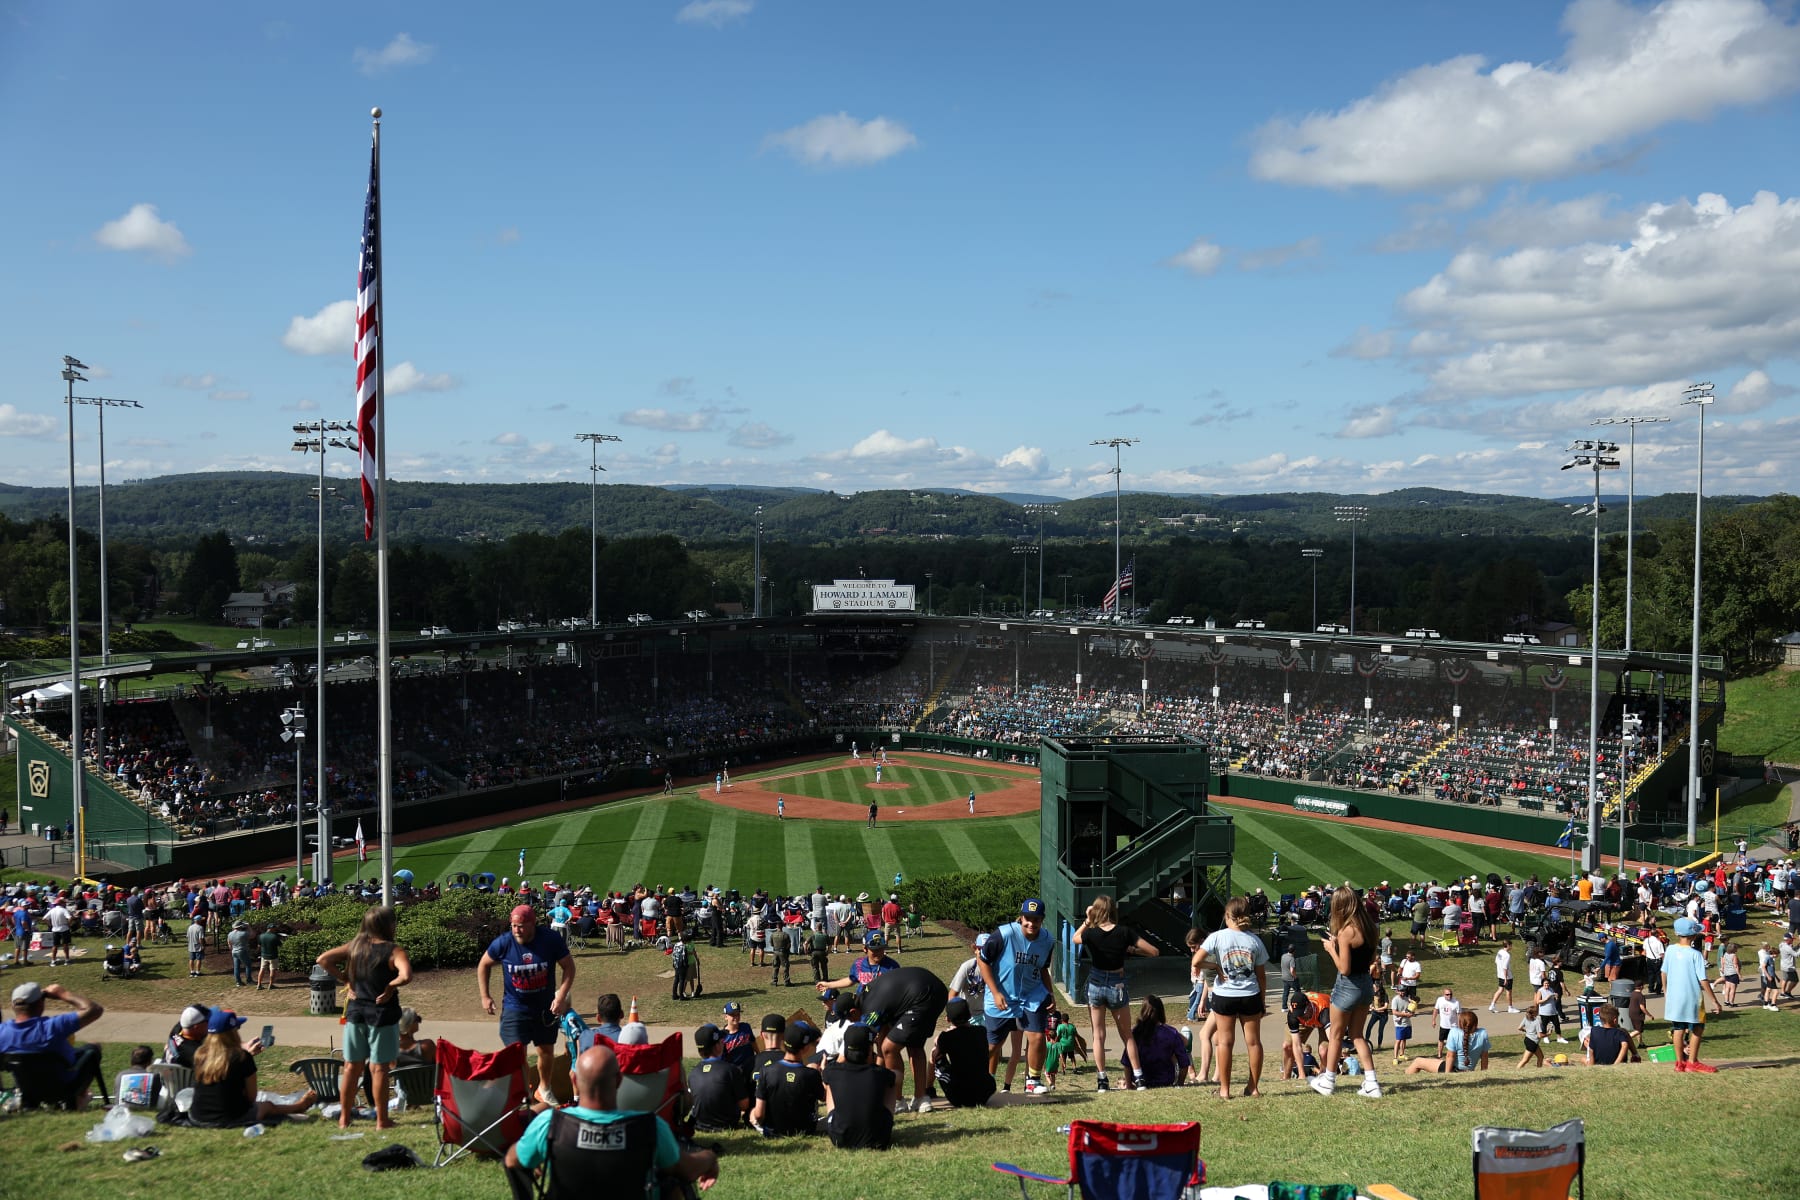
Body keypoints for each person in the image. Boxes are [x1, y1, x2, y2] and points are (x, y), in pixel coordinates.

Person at [505, 1044, 719, 1193]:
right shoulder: (650, 1127)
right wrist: (709, 1158)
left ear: (575, 1081)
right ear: (618, 1080)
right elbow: (685, 1169)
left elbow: (512, 1161)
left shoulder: (549, 1124)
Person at [316, 905, 412, 1129]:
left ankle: (344, 1118)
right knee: (379, 1069)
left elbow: (323, 960)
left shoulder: (355, 947)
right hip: (382, 1016)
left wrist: (345, 979)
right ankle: (382, 1120)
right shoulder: (393, 950)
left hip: (355, 1013)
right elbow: (406, 975)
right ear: (388, 926)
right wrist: (390, 986)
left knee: (351, 1066)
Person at [477, 904, 576, 1105]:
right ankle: (523, 1093)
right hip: (515, 1007)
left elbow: (569, 967)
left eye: (521, 926)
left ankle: (544, 1088)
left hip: (544, 1007)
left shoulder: (549, 939)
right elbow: (483, 964)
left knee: (546, 1051)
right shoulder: (504, 943)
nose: (516, 930)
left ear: (533, 924)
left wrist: (561, 996)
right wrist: (485, 996)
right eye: (513, 925)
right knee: (516, 1053)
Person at [1072, 894, 1158, 1092]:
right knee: (1127, 1034)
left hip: (1095, 982)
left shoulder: (1091, 933)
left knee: (1098, 1035)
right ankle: (1139, 1077)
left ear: (1096, 911)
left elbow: (1075, 938)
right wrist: (1131, 951)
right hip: (1116, 983)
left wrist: (1087, 919)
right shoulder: (1124, 932)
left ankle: (1102, 1080)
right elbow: (1153, 951)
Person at [978, 898, 1057, 1096]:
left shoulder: (1047, 940)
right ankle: (971, 1078)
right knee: (993, 1046)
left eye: (1036, 919)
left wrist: (1050, 993)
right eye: (1028, 918)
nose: (1031, 923)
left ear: (1042, 920)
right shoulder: (1004, 934)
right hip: (1002, 995)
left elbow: (1043, 969)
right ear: (1021, 917)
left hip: (1032, 994)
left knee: (1037, 1037)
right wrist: (995, 993)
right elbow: (983, 960)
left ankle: (1033, 1080)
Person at [1194, 896, 1269, 1100]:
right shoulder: (1255, 941)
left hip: (1224, 994)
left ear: (1228, 915)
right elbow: (1261, 976)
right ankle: (1252, 1087)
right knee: (1254, 1043)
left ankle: (1225, 1090)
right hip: (1250, 994)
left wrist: (1216, 967)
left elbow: (1196, 961)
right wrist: (1262, 1001)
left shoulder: (1217, 937)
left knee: (1225, 1042)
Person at [187, 1008, 316, 1127]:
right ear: (232, 1032)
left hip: (197, 1116)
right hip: (230, 1118)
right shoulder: (242, 1057)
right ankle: (299, 1106)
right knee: (267, 1106)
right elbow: (251, 1098)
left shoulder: (200, 1054)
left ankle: (299, 1106)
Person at [1310, 884, 1381, 1097]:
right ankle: (1372, 1082)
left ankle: (1328, 1080)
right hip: (1365, 986)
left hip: (1346, 987)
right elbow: (1368, 959)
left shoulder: (1345, 931)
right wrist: (1338, 945)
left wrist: (1332, 949)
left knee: (1336, 1036)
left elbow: (1344, 968)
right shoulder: (1370, 928)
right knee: (1358, 1036)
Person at [0, 981, 107, 1108]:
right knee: (93, 1048)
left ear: (13, 1006)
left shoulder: (3, 1032)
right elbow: (94, 1009)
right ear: (40, 1004)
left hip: (27, 1090)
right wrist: (63, 994)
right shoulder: (52, 1027)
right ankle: (78, 1099)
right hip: (65, 1088)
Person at [860, 963, 950, 1112]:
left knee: (889, 1049)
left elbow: (871, 1048)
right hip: (936, 991)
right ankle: (921, 1098)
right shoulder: (874, 994)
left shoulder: (870, 1006)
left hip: (921, 996)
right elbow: (881, 1036)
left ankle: (896, 1100)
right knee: (915, 1046)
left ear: (853, 1010)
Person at [1663, 916, 1722, 1073]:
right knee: (1697, 1026)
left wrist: (1665, 990)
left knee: (1678, 1028)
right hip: (1692, 997)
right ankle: (1692, 1062)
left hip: (1674, 997)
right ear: (1693, 935)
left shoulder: (1670, 949)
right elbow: (1703, 979)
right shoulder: (1695, 954)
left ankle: (1679, 1063)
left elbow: (1664, 971)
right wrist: (1715, 1001)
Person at [822, 1024, 896, 1150]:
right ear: (869, 1050)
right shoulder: (882, 1074)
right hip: (879, 1139)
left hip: (840, 1139)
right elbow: (893, 1076)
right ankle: (880, 1123)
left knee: (830, 1084)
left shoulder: (831, 1071)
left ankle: (837, 1121)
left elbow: (828, 1079)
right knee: (891, 1083)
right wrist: (879, 1051)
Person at [752, 1022, 825, 1136]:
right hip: (805, 1130)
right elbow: (825, 1097)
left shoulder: (766, 1071)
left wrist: (753, 1114)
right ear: (805, 1048)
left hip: (773, 1131)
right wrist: (824, 1071)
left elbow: (759, 1115)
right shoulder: (811, 1075)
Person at [930, 997, 996, 1108]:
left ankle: (928, 1089)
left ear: (947, 1019)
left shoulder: (946, 1037)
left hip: (959, 1096)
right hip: (985, 1092)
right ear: (970, 1015)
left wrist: (939, 1040)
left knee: (934, 1053)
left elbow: (936, 1055)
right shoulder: (981, 1031)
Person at [688, 1023, 752, 1131]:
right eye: (721, 1041)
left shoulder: (693, 1073)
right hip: (726, 1124)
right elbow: (744, 1105)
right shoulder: (730, 1070)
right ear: (717, 1046)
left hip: (700, 1123)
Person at [1128, 994, 1190, 1088]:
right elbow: (1184, 1062)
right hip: (1165, 1079)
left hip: (1140, 1080)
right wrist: (1180, 1083)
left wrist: (1129, 1084)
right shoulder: (1171, 1033)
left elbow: (1126, 1061)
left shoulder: (1135, 1033)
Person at [1406, 1009, 1489, 1075]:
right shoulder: (1483, 1033)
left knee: (1418, 1061)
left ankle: (1405, 1079)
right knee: (1435, 1061)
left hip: (1454, 1070)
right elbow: (1484, 1058)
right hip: (1469, 1071)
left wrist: (1447, 1075)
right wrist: (1483, 1075)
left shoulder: (1454, 1032)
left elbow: (1450, 1056)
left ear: (1460, 1024)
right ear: (1476, 1023)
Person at [816, 932, 900, 995]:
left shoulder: (892, 966)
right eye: (874, 950)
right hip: (862, 1007)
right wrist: (828, 985)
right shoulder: (859, 964)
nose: (878, 953)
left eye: (880, 949)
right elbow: (850, 980)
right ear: (865, 949)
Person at [1390, 988, 1415, 1065]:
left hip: (1407, 1023)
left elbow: (1410, 1010)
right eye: (1400, 991)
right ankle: (1395, 1058)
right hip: (1399, 1024)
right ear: (1397, 991)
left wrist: (1411, 1014)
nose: (1402, 993)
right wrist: (1405, 1014)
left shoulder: (1407, 999)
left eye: (1403, 991)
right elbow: (1394, 1012)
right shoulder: (1395, 1000)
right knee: (1398, 1040)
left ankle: (1402, 1054)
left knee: (1404, 1039)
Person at [1433, 985, 1462, 1054]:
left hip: (1453, 1026)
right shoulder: (1440, 1000)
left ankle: (1454, 1054)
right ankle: (1439, 1054)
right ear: (1444, 995)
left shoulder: (1456, 1002)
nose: (1449, 996)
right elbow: (1436, 1010)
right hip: (1443, 1025)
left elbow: (1459, 1014)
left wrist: (1460, 1024)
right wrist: (1433, 1020)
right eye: (1447, 994)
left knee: (1454, 1041)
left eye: (1450, 994)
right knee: (1441, 1040)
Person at [1489, 940, 1517, 1013]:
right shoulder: (1507, 955)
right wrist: (1505, 978)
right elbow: (1505, 967)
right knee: (1509, 991)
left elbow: (1496, 961)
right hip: (1507, 976)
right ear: (1508, 945)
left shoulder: (1500, 951)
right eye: (1511, 945)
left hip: (1500, 974)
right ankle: (1510, 1007)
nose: (1511, 947)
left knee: (1500, 990)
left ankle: (1492, 1005)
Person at [227, 918, 254, 987]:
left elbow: (229, 943)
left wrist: (232, 950)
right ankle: (249, 980)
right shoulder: (243, 933)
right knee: (248, 965)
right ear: (240, 926)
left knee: (236, 967)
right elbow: (253, 935)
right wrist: (249, 926)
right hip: (242, 951)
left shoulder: (230, 934)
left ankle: (238, 982)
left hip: (234, 951)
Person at [255, 921, 281, 990]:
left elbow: (259, 946)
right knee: (273, 970)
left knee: (262, 969)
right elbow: (280, 945)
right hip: (273, 956)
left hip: (264, 956)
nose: (275, 929)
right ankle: (271, 984)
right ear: (271, 928)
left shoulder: (261, 936)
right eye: (274, 928)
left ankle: (259, 984)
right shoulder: (274, 937)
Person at [1364, 981, 1390, 1052]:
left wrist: (1377, 1009)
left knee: (1380, 1030)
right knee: (1369, 1027)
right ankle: (1366, 1043)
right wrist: (1371, 1006)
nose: (1373, 988)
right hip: (1375, 1014)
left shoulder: (1384, 995)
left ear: (1378, 987)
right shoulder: (1373, 993)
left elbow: (1386, 1006)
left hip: (1383, 1015)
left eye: (1375, 987)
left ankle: (1379, 1046)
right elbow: (1371, 1002)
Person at [1717, 942, 1741, 1008]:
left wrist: (1723, 969)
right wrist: (1739, 974)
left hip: (1727, 973)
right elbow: (1735, 965)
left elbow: (1723, 962)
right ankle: (1731, 1002)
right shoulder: (1734, 955)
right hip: (1733, 973)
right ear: (1734, 949)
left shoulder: (1725, 954)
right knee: (1733, 989)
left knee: (1727, 988)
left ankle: (1726, 1001)